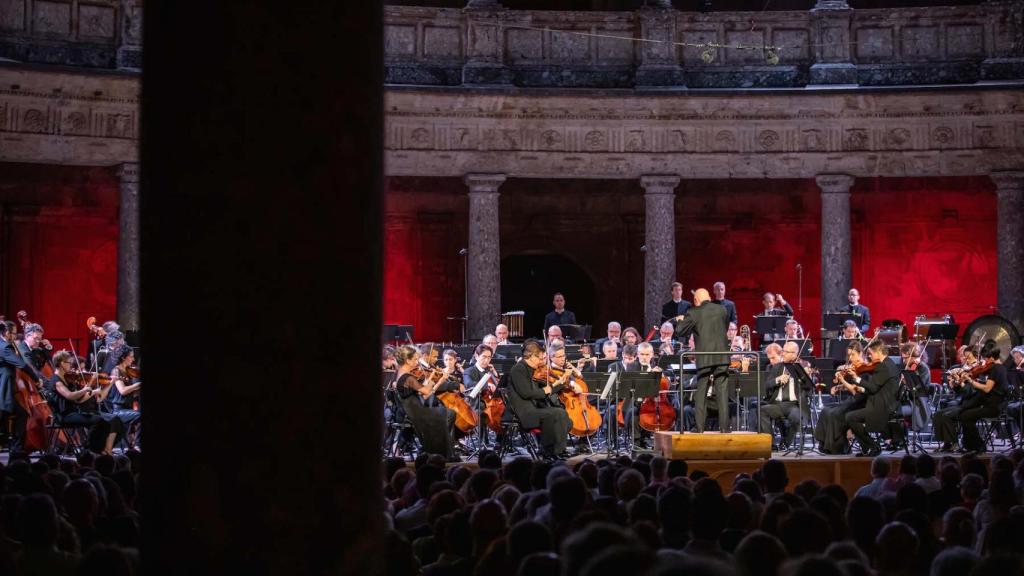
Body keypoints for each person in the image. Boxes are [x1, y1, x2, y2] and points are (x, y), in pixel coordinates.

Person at [933, 339, 1010, 454]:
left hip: (993, 406)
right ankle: (969, 445)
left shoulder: (997, 369)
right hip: (985, 404)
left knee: (965, 415)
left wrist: (970, 380)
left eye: (986, 358)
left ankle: (977, 445)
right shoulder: (993, 369)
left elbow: (987, 388)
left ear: (992, 357)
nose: (984, 361)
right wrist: (957, 383)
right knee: (964, 415)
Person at [672, 288, 730, 433]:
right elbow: (725, 327)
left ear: (696, 300)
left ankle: (699, 428)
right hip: (722, 356)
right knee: (722, 392)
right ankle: (724, 428)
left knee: (701, 392)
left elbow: (680, 331)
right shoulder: (722, 309)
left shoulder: (693, 312)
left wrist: (680, 321)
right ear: (709, 297)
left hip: (704, 357)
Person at [45, 350, 125, 454]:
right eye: (69, 363)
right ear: (62, 364)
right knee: (98, 421)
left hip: (73, 412)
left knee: (104, 422)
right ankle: (90, 449)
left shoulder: (65, 379)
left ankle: (98, 449)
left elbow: (78, 399)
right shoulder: (56, 381)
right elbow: (69, 396)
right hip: (64, 416)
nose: (70, 365)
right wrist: (85, 389)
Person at [506, 339, 572, 460]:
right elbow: (526, 393)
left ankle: (557, 450)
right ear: (531, 356)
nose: (541, 361)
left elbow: (538, 391)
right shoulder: (518, 369)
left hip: (533, 409)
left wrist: (555, 385)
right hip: (523, 413)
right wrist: (546, 390)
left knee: (562, 414)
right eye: (540, 358)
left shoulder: (530, 369)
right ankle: (548, 451)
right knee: (556, 413)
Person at [393, 344, 456, 460]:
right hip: (417, 413)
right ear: (407, 360)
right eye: (415, 359)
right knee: (448, 414)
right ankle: (439, 450)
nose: (418, 362)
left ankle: (440, 448)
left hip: (414, 409)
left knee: (449, 413)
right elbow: (427, 392)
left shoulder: (401, 375)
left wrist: (431, 378)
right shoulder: (408, 378)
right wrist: (436, 380)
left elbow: (423, 395)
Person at [845, 339, 900, 457]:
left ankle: (872, 447)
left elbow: (874, 388)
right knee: (852, 413)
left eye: (871, 353)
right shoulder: (889, 363)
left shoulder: (883, 366)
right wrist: (863, 389)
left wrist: (857, 378)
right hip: (885, 401)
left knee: (850, 417)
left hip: (882, 405)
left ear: (879, 352)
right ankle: (867, 448)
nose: (869, 356)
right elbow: (878, 387)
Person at [815, 341, 868, 454]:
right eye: (849, 355)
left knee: (834, 413)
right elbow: (850, 386)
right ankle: (824, 443)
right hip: (851, 401)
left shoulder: (865, 369)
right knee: (825, 410)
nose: (850, 358)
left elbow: (855, 390)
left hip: (860, 402)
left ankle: (839, 447)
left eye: (853, 355)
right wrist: (839, 387)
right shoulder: (854, 368)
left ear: (861, 353)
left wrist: (843, 380)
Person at [760, 342, 811, 450]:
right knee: (762, 411)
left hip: (794, 405)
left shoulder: (803, 366)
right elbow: (767, 385)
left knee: (796, 417)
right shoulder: (778, 367)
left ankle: (786, 443)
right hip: (778, 404)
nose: (782, 354)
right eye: (783, 351)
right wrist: (777, 380)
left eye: (786, 352)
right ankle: (771, 444)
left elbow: (810, 389)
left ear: (795, 354)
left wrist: (806, 377)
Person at [0, 320, 33, 453]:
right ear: (7, 333)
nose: (14, 336)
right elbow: (22, 364)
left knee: (11, 414)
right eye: (13, 334)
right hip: (4, 388)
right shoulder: (5, 347)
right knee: (22, 413)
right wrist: (36, 379)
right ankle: (17, 447)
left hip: (7, 387)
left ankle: (10, 443)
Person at [106, 347, 143, 449]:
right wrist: (138, 384)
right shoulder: (116, 371)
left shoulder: (128, 371)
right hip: (119, 410)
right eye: (131, 356)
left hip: (128, 407)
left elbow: (131, 393)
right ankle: (137, 445)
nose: (133, 359)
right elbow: (123, 390)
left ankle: (136, 444)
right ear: (123, 358)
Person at [464, 344, 499, 447]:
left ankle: (499, 441)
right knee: (481, 412)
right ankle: (482, 443)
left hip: (490, 403)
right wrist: (487, 384)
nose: (486, 360)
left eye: (489, 357)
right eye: (484, 357)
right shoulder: (469, 371)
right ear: (476, 356)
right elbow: (469, 384)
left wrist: (495, 375)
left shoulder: (489, 371)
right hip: (476, 404)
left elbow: (498, 388)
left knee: (506, 411)